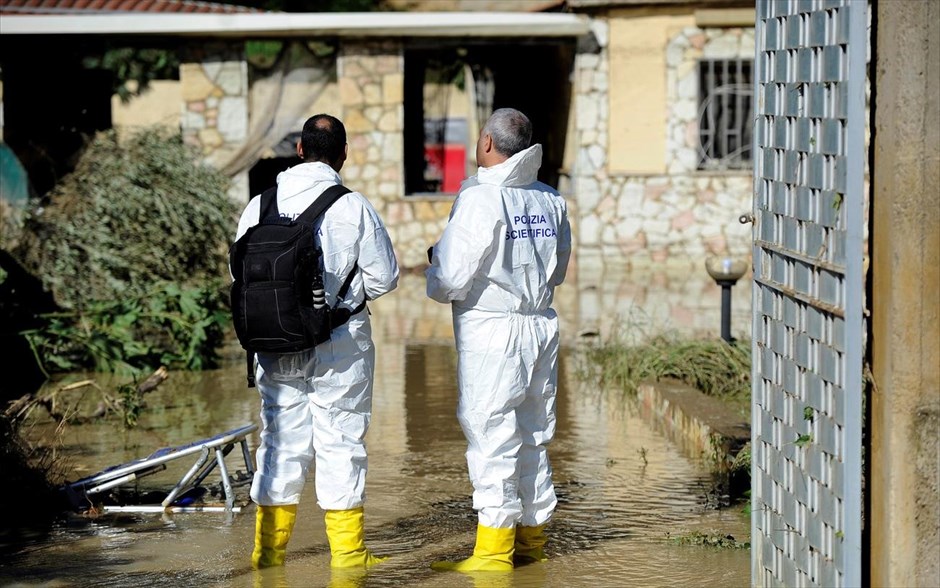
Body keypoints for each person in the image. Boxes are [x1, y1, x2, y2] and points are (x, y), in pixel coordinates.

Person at [234, 114, 399, 569]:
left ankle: (267, 557)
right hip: (339, 345)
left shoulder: (258, 206)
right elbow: (384, 280)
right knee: (340, 441)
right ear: (342, 154)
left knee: (280, 440)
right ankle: (348, 559)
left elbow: (238, 273)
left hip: (273, 345)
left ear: (300, 150)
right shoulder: (352, 206)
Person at [425, 108, 571, 573]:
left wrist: (434, 265)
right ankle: (532, 543)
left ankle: (492, 554)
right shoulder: (551, 200)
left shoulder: (479, 197)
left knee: (491, 435)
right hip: (540, 326)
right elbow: (559, 271)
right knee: (532, 433)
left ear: (487, 142)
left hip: (492, 332)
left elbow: (448, 281)